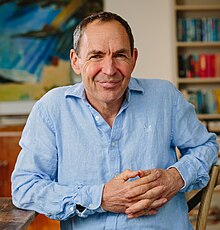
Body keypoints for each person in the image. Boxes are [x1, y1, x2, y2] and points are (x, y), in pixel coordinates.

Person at [11, 11, 219, 230]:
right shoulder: (51, 109)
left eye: (120, 55)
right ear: (76, 61)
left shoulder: (165, 97)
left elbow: (206, 147)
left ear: (134, 58)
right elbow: (25, 188)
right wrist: (99, 198)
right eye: (96, 56)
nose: (109, 70)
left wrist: (176, 177)